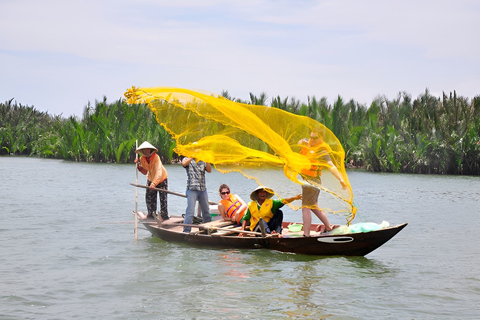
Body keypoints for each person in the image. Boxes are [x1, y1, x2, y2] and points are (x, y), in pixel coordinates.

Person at [298, 131, 347, 236]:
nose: (312, 140)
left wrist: (340, 179)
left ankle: (306, 234)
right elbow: (299, 143)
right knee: (313, 206)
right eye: (311, 137)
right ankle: (329, 227)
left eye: (315, 138)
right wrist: (305, 143)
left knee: (305, 206)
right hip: (306, 180)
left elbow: (331, 166)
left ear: (321, 139)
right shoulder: (307, 144)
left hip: (312, 181)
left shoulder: (322, 151)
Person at [134, 141, 169, 221]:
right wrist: (138, 166)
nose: (146, 152)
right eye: (144, 150)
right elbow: (145, 171)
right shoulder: (142, 159)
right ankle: (151, 214)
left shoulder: (156, 157)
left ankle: (164, 216)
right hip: (150, 178)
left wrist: (154, 183)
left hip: (161, 179)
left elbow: (159, 172)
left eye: (147, 150)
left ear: (150, 150)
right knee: (149, 197)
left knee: (163, 198)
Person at [182, 155, 212, 232]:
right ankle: (186, 230)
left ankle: (208, 229)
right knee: (190, 211)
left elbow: (209, 170)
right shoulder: (187, 159)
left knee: (206, 210)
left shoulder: (203, 161)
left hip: (202, 189)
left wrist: (207, 160)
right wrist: (192, 156)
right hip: (192, 189)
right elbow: (184, 164)